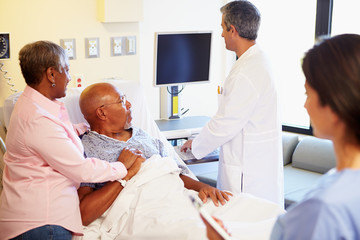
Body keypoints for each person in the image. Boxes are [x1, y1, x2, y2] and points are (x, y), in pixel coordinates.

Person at [205, 34, 360, 240]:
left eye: (308, 94)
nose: (305, 105)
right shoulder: (341, 186)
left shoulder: (323, 209)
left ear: (333, 106)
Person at [0, 41, 142, 240]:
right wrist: (121, 167)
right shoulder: (37, 118)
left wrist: (76, 129)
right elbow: (80, 169)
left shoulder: (36, 106)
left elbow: (48, 139)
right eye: (66, 70)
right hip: (41, 224)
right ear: (51, 74)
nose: (69, 78)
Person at [77, 82, 232, 226]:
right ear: (102, 113)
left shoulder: (144, 135)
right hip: (144, 212)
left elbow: (173, 172)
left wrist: (203, 187)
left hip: (177, 198)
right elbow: (84, 214)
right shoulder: (86, 149)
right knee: (199, 229)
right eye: (122, 101)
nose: (130, 105)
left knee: (238, 208)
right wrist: (126, 173)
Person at [181, 0, 283, 205]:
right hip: (258, 162)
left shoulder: (245, 72)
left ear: (233, 30)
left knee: (244, 222)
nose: (221, 34)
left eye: (222, 28)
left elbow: (225, 123)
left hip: (248, 170)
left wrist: (196, 145)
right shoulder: (258, 60)